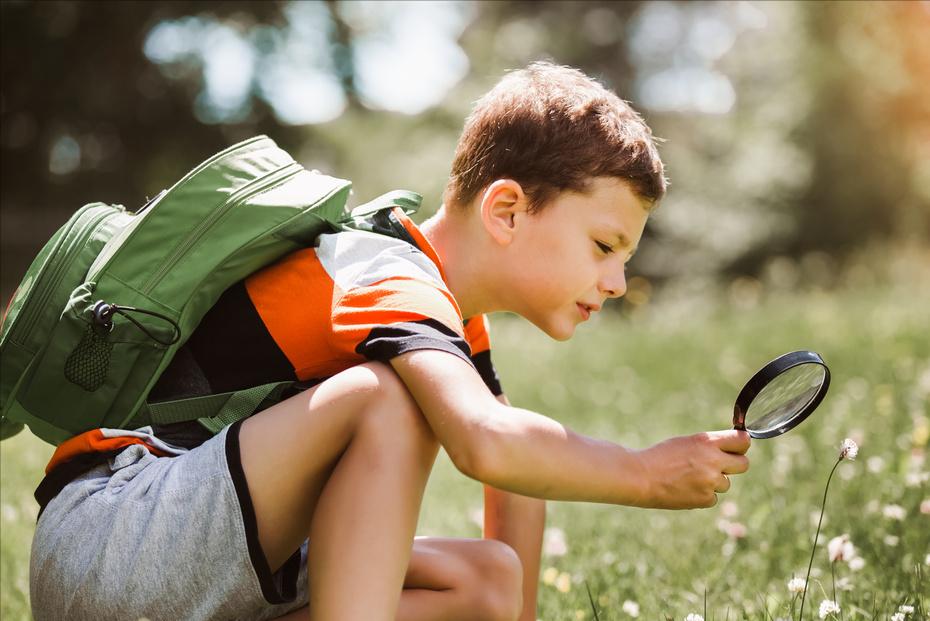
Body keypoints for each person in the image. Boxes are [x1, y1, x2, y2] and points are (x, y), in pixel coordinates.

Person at [29, 61, 751, 621]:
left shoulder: (446, 315)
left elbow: (512, 470)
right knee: (389, 399)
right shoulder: (386, 275)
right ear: (506, 210)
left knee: (489, 583)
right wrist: (643, 473)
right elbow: (486, 444)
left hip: (187, 553)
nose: (618, 281)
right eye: (603, 245)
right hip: (112, 542)